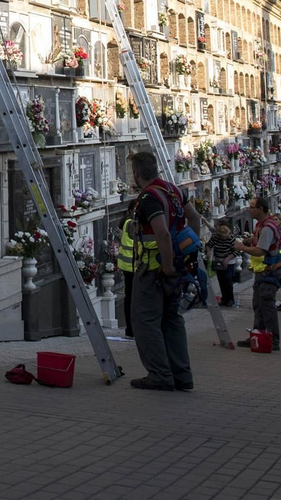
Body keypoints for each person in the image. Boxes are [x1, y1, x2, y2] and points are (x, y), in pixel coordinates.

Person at [127, 150, 200, 391]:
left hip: (154, 271)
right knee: (172, 320)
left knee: (145, 322)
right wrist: (189, 253)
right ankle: (182, 375)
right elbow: (195, 219)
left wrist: (166, 266)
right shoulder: (174, 190)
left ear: (137, 174)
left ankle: (159, 374)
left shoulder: (149, 198)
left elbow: (162, 233)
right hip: (178, 268)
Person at [234, 196, 281, 351]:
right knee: (258, 306)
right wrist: (251, 240)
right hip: (262, 272)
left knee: (267, 306)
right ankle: (258, 335)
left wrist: (241, 247)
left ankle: (273, 340)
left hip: (269, 273)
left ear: (260, 209)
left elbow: (260, 251)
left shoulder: (268, 228)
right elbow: (259, 243)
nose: (249, 209)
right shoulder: (261, 225)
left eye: (252, 207)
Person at [117, 198, 138, 339]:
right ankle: (131, 329)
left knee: (130, 297)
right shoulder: (131, 223)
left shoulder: (126, 222)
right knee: (132, 298)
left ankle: (131, 329)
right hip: (132, 265)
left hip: (129, 264)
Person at [207, 221, 239, 308]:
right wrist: (209, 251)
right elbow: (209, 245)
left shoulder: (231, 239)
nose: (223, 239)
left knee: (227, 279)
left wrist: (228, 258)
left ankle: (230, 299)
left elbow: (236, 251)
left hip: (228, 261)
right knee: (221, 279)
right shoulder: (215, 237)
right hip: (218, 260)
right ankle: (224, 298)